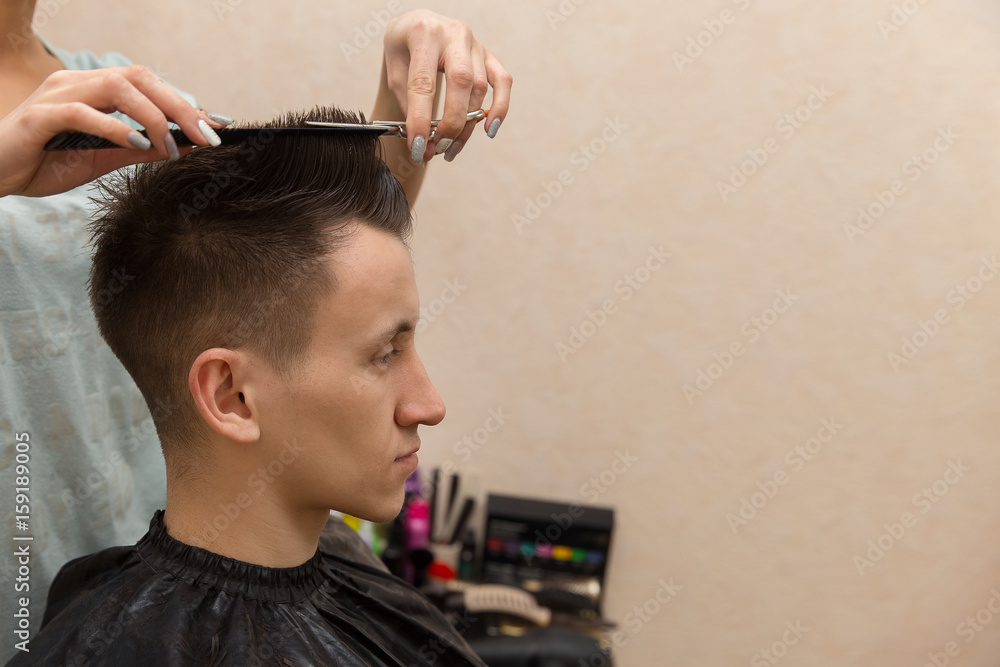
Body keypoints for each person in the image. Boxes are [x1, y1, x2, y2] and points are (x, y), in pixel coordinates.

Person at [0, 4, 511, 662]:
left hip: (213, 552)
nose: (431, 405)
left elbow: (303, 286)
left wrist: (401, 91)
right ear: (230, 392)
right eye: (389, 355)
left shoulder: (117, 98)